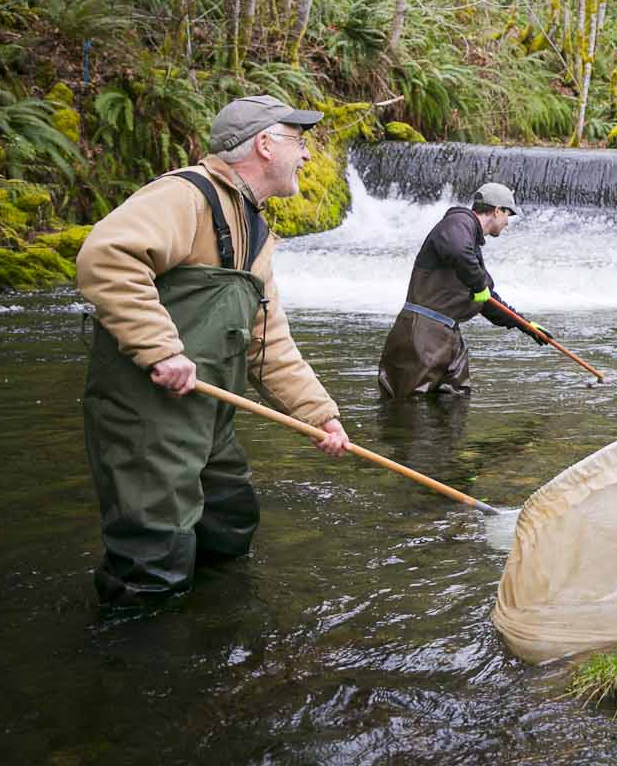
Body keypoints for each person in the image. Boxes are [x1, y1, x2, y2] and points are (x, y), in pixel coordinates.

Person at [77, 95, 351, 605]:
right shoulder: (185, 197)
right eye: (299, 141)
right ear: (266, 145)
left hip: (210, 417)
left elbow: (269, 341)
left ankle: (218, 641)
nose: (308, 155)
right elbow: (106, 256)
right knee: (151, 561)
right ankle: (137, 667)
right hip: (147, 418)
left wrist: (320, 415)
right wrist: (159, 349)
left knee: (228, 524)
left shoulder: (256, 227)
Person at [377, 182, 551, 399]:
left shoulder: (470, 246)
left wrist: (525, 324)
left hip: (448, 339)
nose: (507, 222)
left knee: (455, 403)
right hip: (421, 335)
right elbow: (462, 257)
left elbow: (486, 300)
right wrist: (479, 285)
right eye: (508, 214)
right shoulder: (458, 222)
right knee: (408, 410)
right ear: (497, 210)